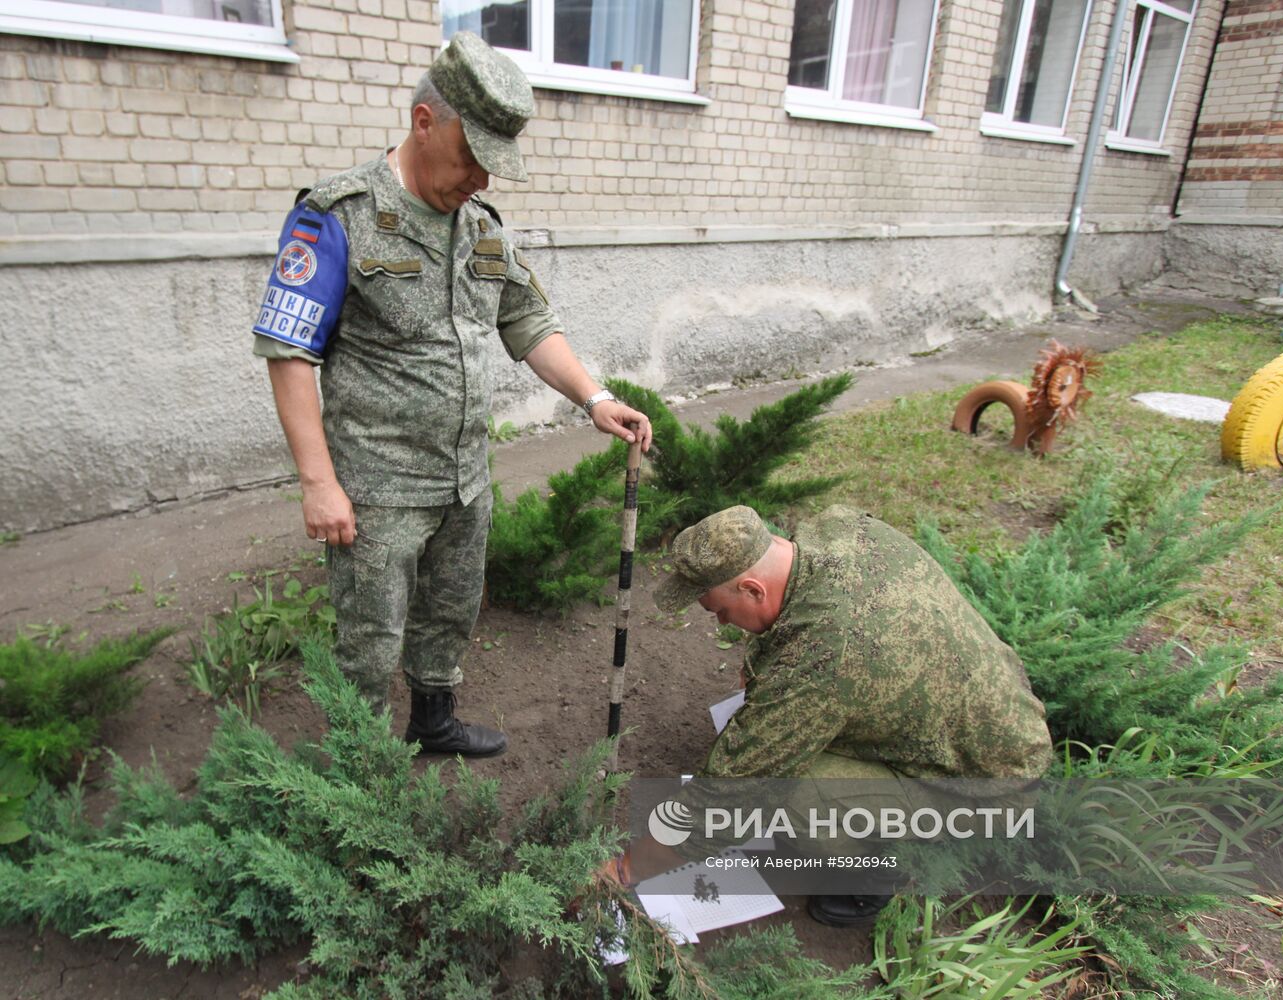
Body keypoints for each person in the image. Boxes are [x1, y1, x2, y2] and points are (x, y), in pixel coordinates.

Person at [251, 32, 651, 758]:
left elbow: (527, 321)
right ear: (424, 123)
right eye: (472, 159)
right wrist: (318, 482)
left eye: (493, 168)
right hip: (378, 487)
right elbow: (289, 351)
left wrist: (594, 397)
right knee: (369, 640)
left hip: (464, 480)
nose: (481, 181)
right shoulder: (336, 215)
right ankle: (360, 774)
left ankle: (432, 720)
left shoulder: (481, 230)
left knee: (449, 612)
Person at [602, 504, 1052, 926]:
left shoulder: (823, 658)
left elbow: (726, 799)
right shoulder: (837, 528)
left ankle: (877, 874)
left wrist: (625, 870)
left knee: (789, 796)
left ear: (753, 588)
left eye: (720, 611)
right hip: (989, 717)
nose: (721, 624)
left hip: (986, 785)